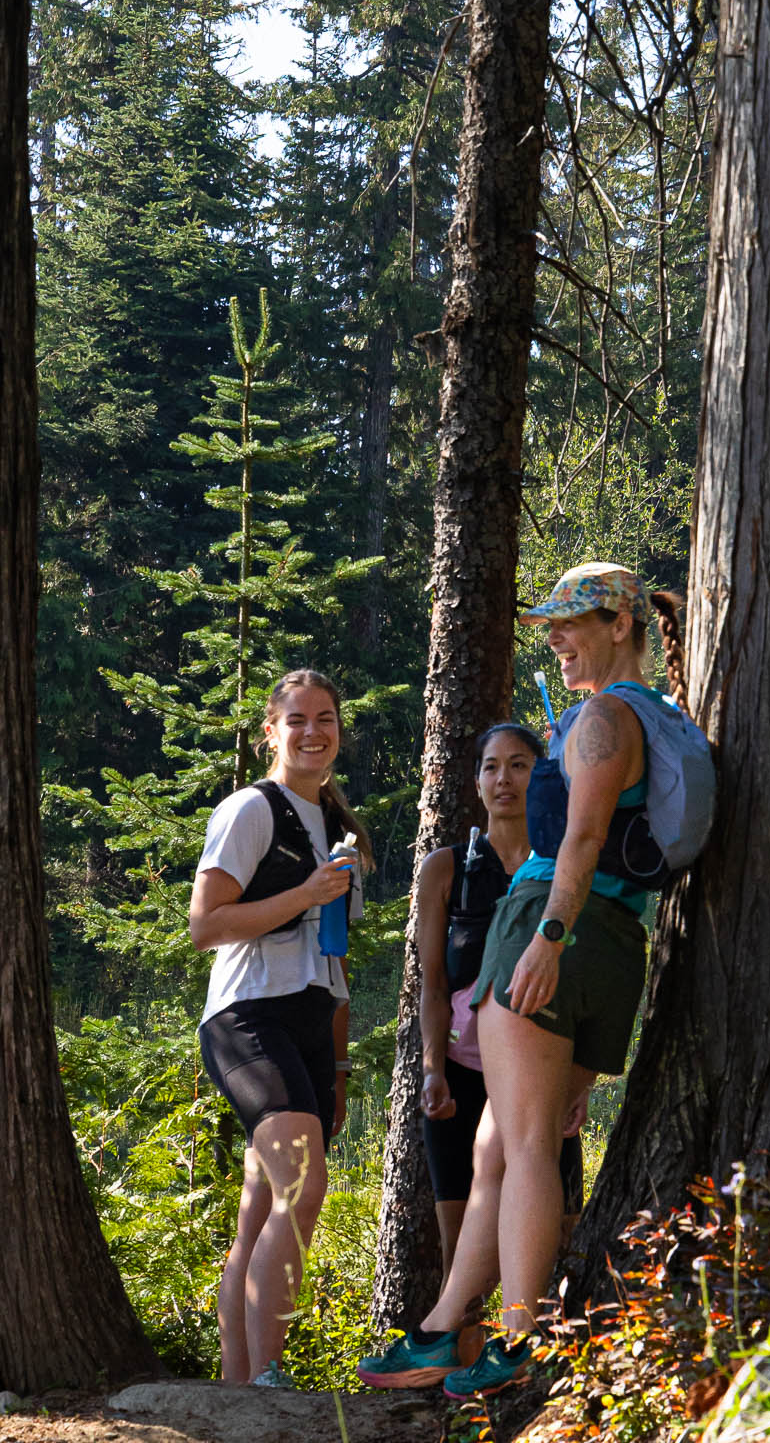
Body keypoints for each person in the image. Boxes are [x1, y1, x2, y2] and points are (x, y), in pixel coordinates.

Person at [358, 562, 697, 1400]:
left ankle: (515, 1338)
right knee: (497, 1147)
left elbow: (579, 839)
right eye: (550, 623)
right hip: (616, 940)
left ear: (622, 625)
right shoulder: (660, 714)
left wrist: (545, 938)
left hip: (553, 920)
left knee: (528, 1145)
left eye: (571, 622)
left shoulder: (601, 719)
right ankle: (442, 1328)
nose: (554, 637)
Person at [189, 668, 369, 1387]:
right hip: (247, 1017)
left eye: (325, 718)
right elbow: (206, 926)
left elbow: (335, 958)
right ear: (271, 731)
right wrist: (304, 892)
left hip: (309, 1024)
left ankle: (237, 1390)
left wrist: (341, 1066)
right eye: (296, 720)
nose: (313, 732)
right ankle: (271, 1377)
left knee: (262, 1205)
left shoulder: (340, 826)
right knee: (303, 1185)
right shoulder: (251, 810)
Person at [414, 723, 583, 1280]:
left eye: (519, 764)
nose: (503, 778)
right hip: (461, 1084)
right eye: (491, 766)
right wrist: (432, 1069)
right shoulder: (448, 869)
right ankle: (452, 1363)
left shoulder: (566, 871)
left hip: (541, 1078)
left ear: (542, 777)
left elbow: (585, 982)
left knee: (555, 1249)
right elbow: (434, 986)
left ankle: (534, 1366)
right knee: (459, 1252)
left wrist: (580, 1081)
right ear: (477, 781)